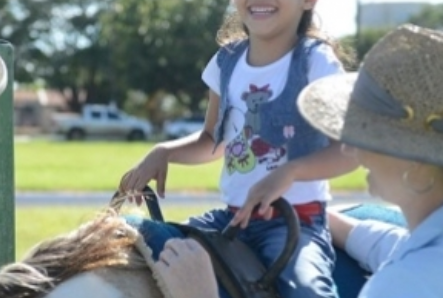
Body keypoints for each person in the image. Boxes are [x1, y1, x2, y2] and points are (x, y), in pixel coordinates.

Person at [151, 24, 443, 298]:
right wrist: (320, 218)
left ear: (416, 164)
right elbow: (394, 246)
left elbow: (411, 272)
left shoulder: (400, 287)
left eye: (367, 133)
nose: (351, 147)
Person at [118, 0, 359, 297]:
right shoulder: (226, 61)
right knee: (146, 239)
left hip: (294, 222)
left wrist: (290, 172)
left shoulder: (315, 61)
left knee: (305, 288)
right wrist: (164, 152)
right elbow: (212, 140)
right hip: (231, 218)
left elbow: (348, 152)